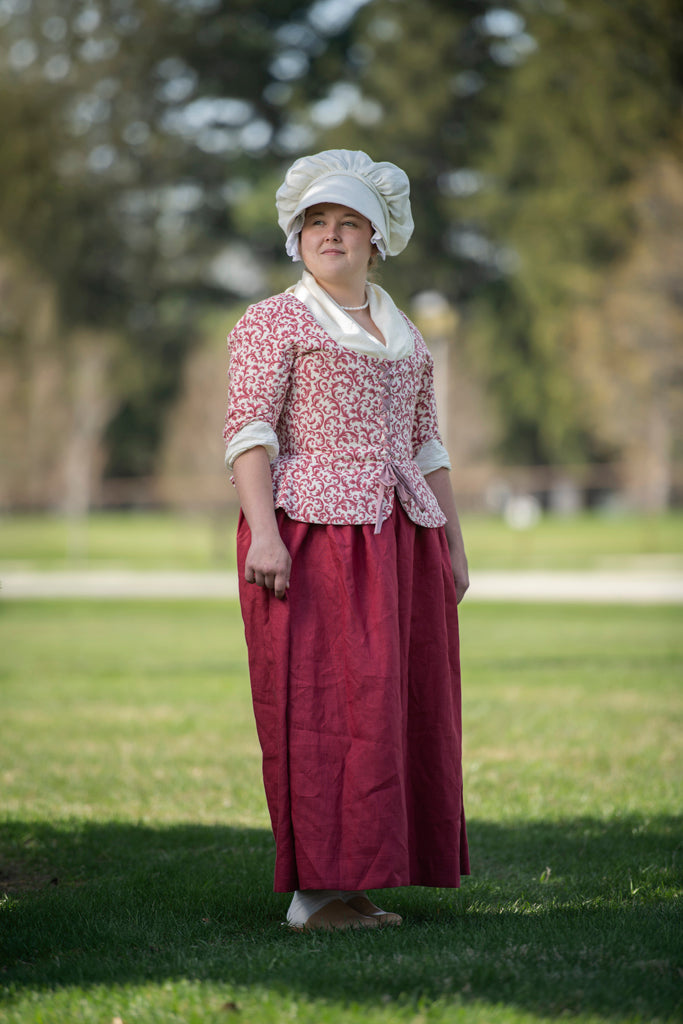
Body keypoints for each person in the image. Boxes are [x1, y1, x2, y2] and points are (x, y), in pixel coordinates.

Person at [223, 149, 470, 931]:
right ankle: (312, 896)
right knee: (324, 706)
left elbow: (428, 445)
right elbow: (249, 434)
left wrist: (453, 547)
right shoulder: (274, 322)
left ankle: (352, 882)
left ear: (377, 236)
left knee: (390, 710)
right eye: (316, 222)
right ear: (295, 237)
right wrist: (264, 535)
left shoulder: (403, 333)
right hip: (312, 534)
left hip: (399, 535)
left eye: (348, 222)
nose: (330, 235)